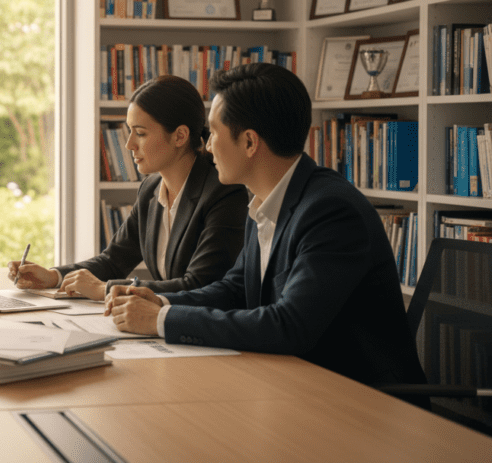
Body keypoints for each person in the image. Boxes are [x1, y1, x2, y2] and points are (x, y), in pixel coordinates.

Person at [105, 63, 428, 393]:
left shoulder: (331, 211)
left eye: (214, 133)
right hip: (294, 384)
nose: (208, 145)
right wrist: (160, 301)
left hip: (361, 401)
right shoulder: (266, 201)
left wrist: (161, 321)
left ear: (249, 142)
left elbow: (290, 325)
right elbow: (234, 290)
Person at [9, 75, 248, 301]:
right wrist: (53, 276)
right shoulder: (151, 189)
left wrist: (105, 289)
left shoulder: (223, 193)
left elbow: (198, 285)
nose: (129, 144)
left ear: (180, 136)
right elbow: (113, 261)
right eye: (129, 131)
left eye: (140, 133)